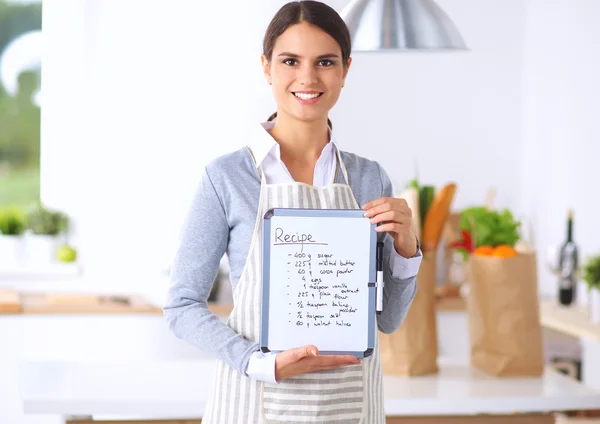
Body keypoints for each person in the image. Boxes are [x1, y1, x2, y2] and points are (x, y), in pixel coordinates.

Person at [163, 1, 422, 422]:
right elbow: (181, 305)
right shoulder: (227, 177)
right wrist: (259, 361)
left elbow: (388, 321)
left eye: (324, 61)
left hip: (349, 407)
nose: (307, 77)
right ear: (266, 67)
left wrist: (406, 247)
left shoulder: (370, 178)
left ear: (345, 70)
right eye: (290, 61)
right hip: (253, 402)